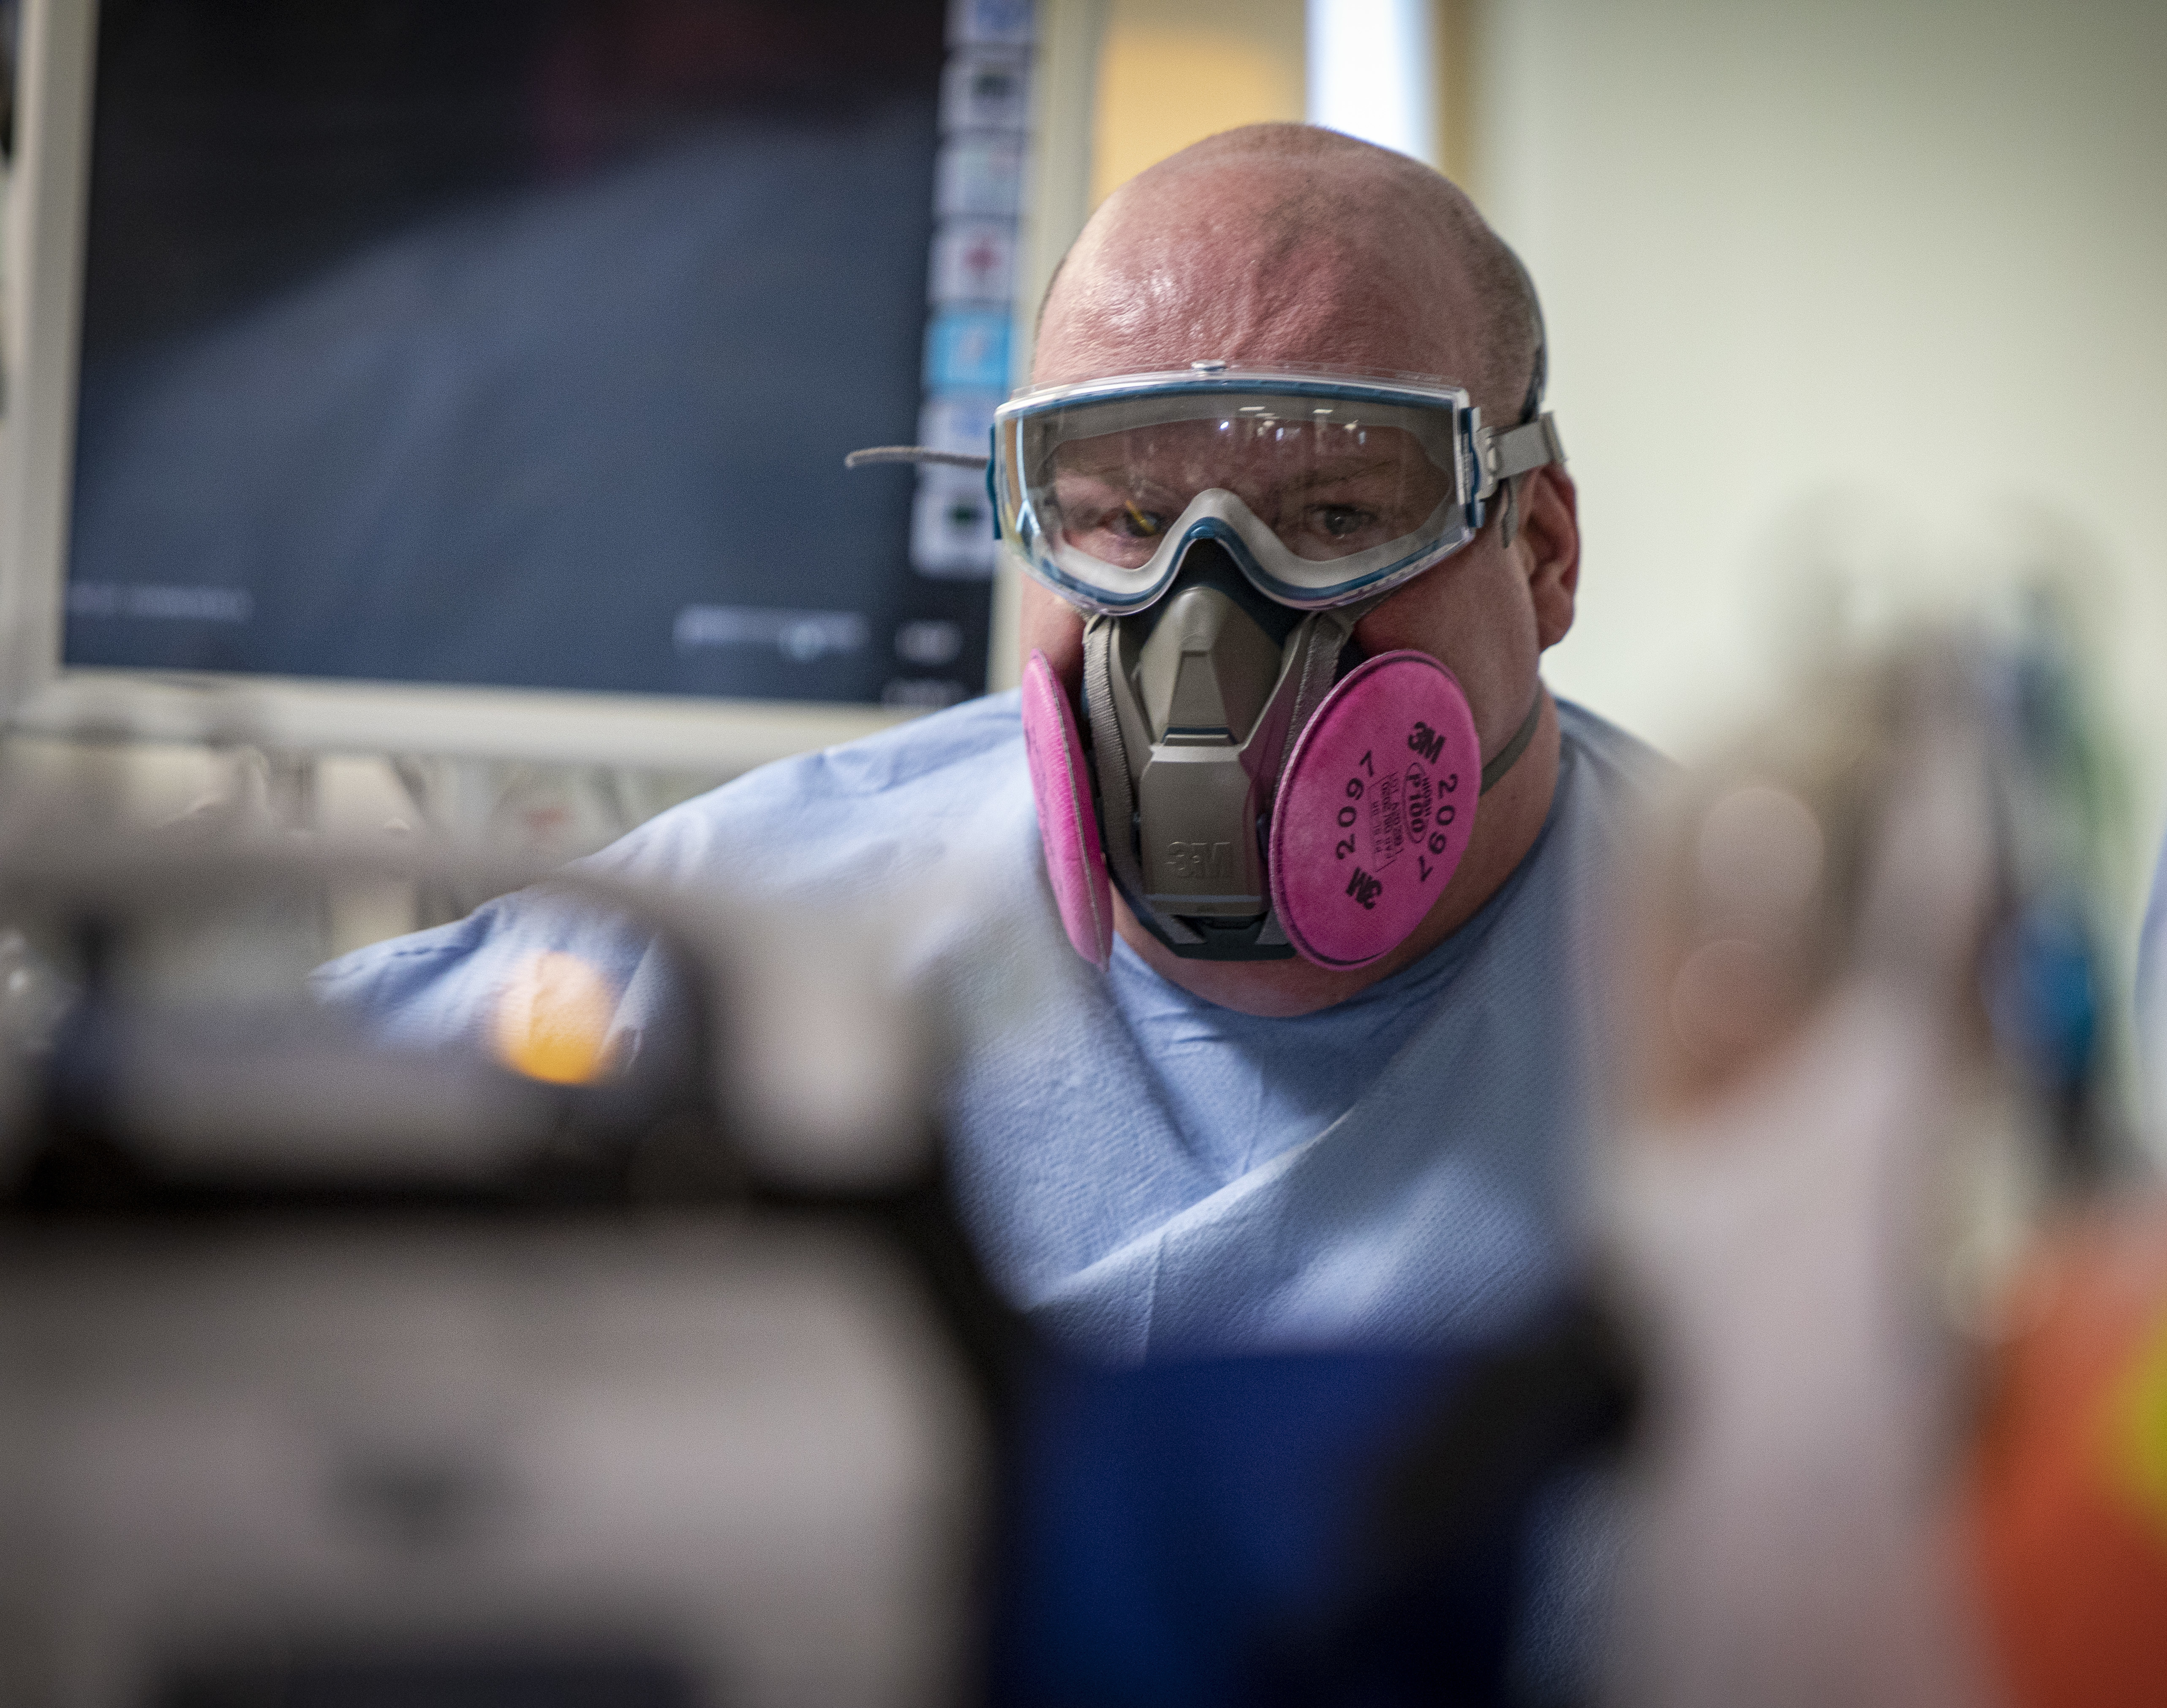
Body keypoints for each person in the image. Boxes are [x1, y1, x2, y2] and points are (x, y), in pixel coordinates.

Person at [321, 123, 1668, 1364]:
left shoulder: (1750, 995)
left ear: (1539, 551)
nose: (1201, 627)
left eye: (1330, 516)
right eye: (1120, 519)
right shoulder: (735, 932)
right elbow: (200, 1137)